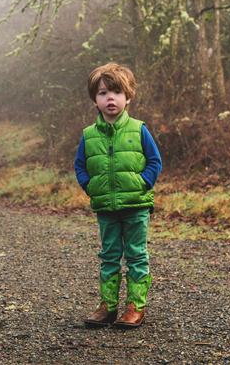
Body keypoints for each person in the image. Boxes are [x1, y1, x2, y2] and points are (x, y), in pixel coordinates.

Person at [74, 62, 162, 328]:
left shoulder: (138, 129)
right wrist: (90, 187)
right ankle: (108, 306)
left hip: (136, 207)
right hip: (106, 208)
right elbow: (80, 165)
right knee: (109, 255)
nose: (110, 98)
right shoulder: (88, 136)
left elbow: (154, 161)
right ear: (94, 100)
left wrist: (142, 184)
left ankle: (135, 307)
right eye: (102, 93)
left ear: (128, 97)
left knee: (136, 255)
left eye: (116, 92)